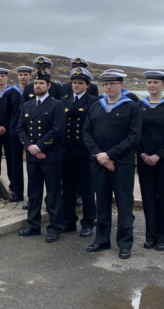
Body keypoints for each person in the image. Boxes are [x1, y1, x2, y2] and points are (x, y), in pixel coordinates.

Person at [83, 70, 141, 259]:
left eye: (113, 84)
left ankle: (124, 243)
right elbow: (87, 133)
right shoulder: (96, 107)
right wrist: (99, 155)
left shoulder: (131, 107)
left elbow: (133, 136)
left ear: (121, 86)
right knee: (102, 202)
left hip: (121, 162)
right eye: (106, 84)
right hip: (98, 161)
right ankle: (102, 239)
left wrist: (110, 155)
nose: (108, 87)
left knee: (124, 203)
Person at [17, 70, 65, 242]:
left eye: (41, 83)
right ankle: (33, 226)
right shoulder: (27, 105)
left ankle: (55, 227)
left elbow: (58, 130)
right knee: (34, 192)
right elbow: (20, 128)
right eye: (36, 83)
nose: (38, 86)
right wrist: (30, 147)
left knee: (53, 193)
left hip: (50, 156)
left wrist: (39, 146)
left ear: (48, 86)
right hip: (32, 156)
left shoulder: (56, 105)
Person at [137, 71, 164, 251]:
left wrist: (158, 154)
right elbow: (135, 132)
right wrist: (142, 154)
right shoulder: (140, 105)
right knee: (148, 198)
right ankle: (151, 236)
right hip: (144, 159)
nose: (151, 85)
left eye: (155, 82)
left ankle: (163, 237)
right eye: (149, 82)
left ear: (163, 84)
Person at [60, 67, 99, 237]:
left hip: (84, 152)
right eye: (74, 83)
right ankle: (69, 221)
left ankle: (88, 222)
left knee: (87, 189)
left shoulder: (94, 102)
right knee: (68, 189)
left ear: (87, 85)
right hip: (67, 152)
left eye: (80, 83)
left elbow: (95, 128)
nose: (76, 85)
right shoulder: (64, 101)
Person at [6, 66, 33, 203]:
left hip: (32, 132)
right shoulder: (11, 92)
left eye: (25, 74)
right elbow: (7, 112)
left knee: (32, 165)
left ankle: (33, 195)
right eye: (21, 74)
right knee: (15, 162)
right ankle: (17, 192)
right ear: (17, 76)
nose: (23, 77)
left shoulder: (36, 90)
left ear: (30, 76)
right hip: (15, 132)